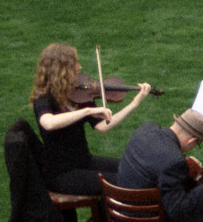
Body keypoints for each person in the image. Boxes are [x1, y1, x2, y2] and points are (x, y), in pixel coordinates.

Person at [29, 43, 149, 195]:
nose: (79, 68)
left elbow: (103, 126)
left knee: (134, 170)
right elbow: (48, 123)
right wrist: (86, 111)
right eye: (75, 65)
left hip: (84, 162)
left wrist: (134, 103)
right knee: (124, 182)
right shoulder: (44, 97)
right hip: (62, 173)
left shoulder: (78, 93)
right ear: (60, 70)